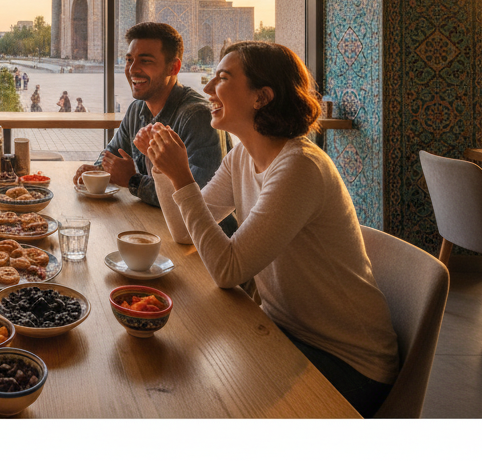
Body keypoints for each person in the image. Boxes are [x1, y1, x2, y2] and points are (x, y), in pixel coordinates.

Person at [138, 41, 398, 417]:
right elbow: (182, 232)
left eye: (222, 78)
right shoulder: (243, 155)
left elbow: (228, 270)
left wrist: (183, 178)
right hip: (282, 333)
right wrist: (163, 170)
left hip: (346, 362)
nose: (208, 88)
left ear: (261, 97)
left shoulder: (299, 168)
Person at [73, 22, 224, 210]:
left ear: (174, 68)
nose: (132, 69)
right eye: (129, 60)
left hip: (199, 238)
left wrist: (133, 181)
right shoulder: (137, 110)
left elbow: (198, 200)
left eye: (145, 61)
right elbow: (111, 155)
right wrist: (97, 171)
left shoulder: (196, 117)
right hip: (152, 225)